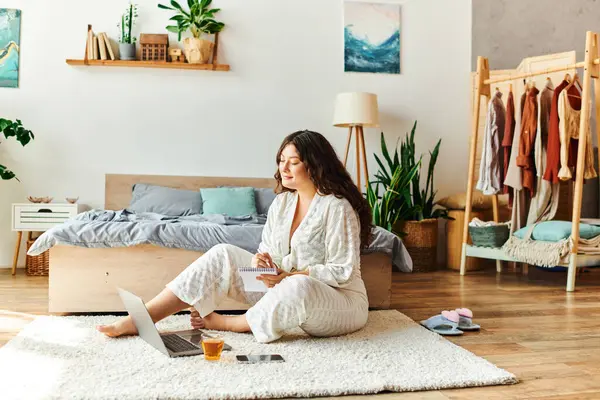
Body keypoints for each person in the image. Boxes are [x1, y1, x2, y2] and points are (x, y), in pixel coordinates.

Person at [97, 130, 372, 343]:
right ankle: (142, 319)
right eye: (281, 161)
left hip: (338, 302)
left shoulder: (337, 207)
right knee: (223, 253)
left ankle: (230, 323)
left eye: (294, 162)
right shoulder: (282, 204)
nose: (284, 168)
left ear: (315, 165)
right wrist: (263, 265)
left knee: (298, 285)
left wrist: (289, 276)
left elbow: (342, 271)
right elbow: (268, 254)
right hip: (282, 288)